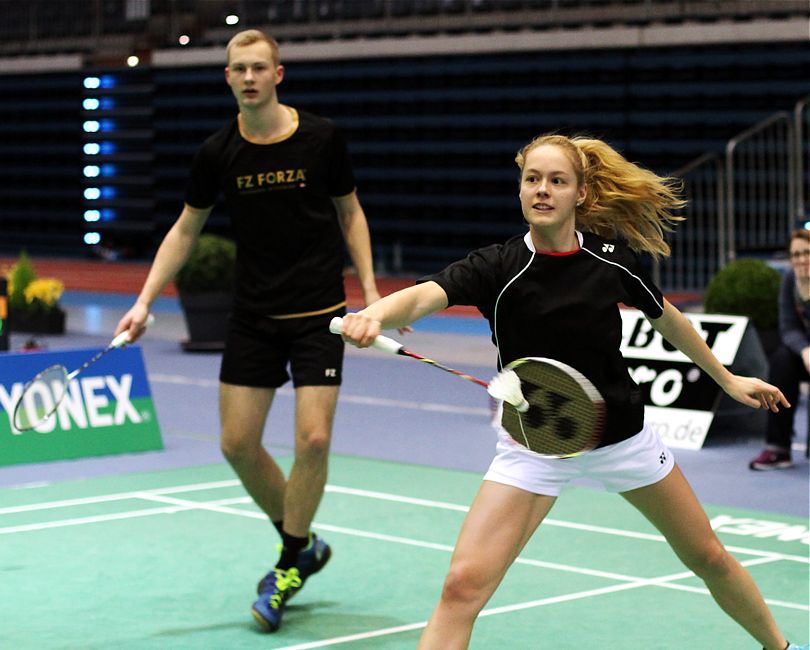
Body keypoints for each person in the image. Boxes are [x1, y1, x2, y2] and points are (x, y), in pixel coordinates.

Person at [339, 134, 806, 650]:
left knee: (708, 556)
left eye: (556, 181)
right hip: (535, 445)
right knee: (461, 587)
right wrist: (372, 314)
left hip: (622, 439)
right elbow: (425, 295)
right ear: (519, 191)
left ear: (579, 193)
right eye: (532, 179)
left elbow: (666, 318)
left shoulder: (611, 260)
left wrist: (728, 378)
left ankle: (778, 647)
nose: (542, 190)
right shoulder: (497, 266)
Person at [115, 29, 387, 632]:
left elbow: (351, 212)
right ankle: (306, 543)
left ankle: (288, 564)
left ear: (278, 74)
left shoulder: (321, 138)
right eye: (238, 69)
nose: (248, 77)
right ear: (229, 78)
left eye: (258, 67)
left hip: (320, 315)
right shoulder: (218, 153)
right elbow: (185, 231)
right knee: (237, 445)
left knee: (312, 441)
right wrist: (142, 301)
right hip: (253, 318)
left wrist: (371, 296)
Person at [750, 228, 810, 470]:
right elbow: (788, 328)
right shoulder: (789, 280)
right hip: (806, 356)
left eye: (806, 253)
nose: (801, 259)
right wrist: (805, 350)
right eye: (795, 255)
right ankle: (778, 449)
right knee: (782, 360)